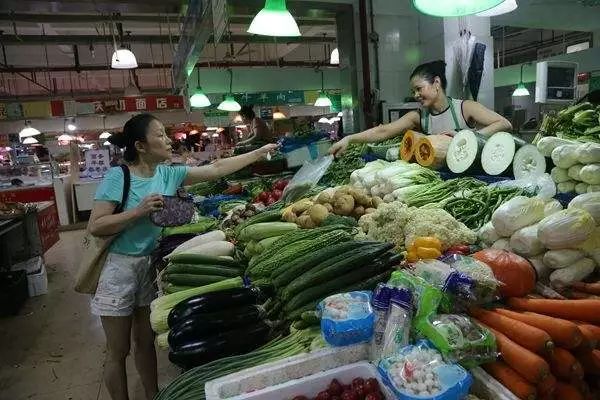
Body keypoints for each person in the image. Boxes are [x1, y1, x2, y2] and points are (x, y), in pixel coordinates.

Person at [87, 113, 277, 400]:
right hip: (118, 267)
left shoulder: (167, 173)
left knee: (145, 341)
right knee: (118, 351)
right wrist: (138, 211)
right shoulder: (119, 176)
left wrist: (258, 152)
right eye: (160, 135)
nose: (167, 140)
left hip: (147, 264)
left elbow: (216, 169)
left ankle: (153, 395)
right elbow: (96, 225)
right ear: (140, 146)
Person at [330, 60, 512, 156]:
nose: (416, 95)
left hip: (467, 174)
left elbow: (503, 123)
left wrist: (466, 137)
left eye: (419, 89)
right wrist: (350, 139)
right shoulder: (418, 117)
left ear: (436, 83)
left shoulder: (465, 108)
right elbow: (383, 131)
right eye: (413, 91)